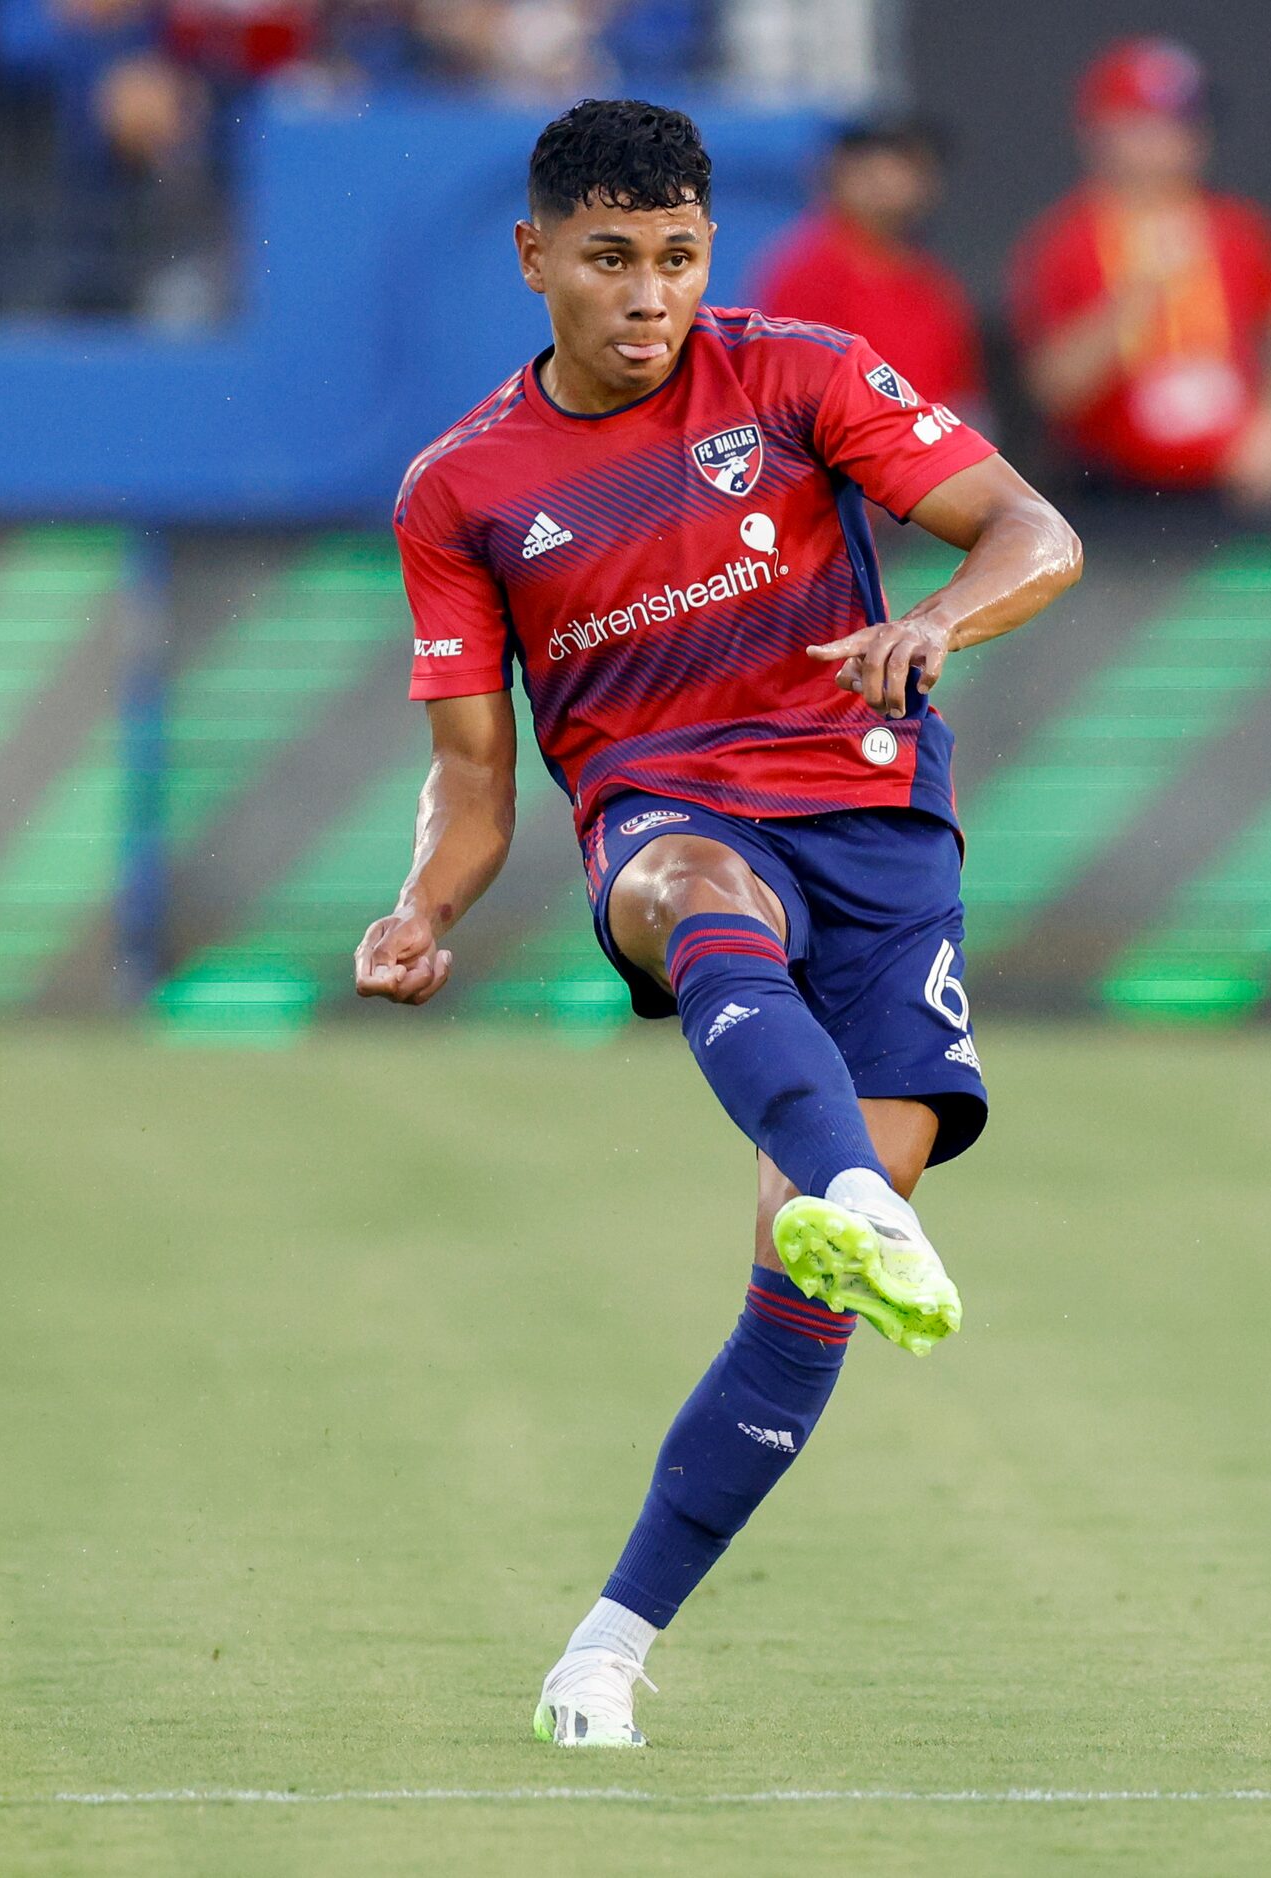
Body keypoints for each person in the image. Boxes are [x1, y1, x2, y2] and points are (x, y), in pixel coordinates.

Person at [353, 98, 1081, 1748]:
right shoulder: (462, 489)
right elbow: (473, 776)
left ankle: (602, 1649)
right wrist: (421, 906)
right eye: (609, 258)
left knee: (803, 1290)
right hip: (668, 814)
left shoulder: (804, 374)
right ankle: (844, 1183)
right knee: (694, 893)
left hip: (883, 835)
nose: (648, 294)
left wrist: (943, 618)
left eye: (677, 257)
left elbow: (1038, 531)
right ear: (534, 256)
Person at [1009, 34, 1271, 509]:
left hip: (1222, 490)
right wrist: (1140, 296)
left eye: (1187, 123)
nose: (1176, 142)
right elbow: (1053, 387)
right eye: (1149, 125)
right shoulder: (1063, 243)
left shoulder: (1236, 227)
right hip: (1108, 490)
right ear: (1101, 132)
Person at [753, 116, 986, 420]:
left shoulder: (934, 285)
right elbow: (786, 399)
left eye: (907, 166)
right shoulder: (806, 273)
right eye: (872, 167)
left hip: (929, 455)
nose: (889, 181)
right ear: (839, 174)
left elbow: (961, 397)